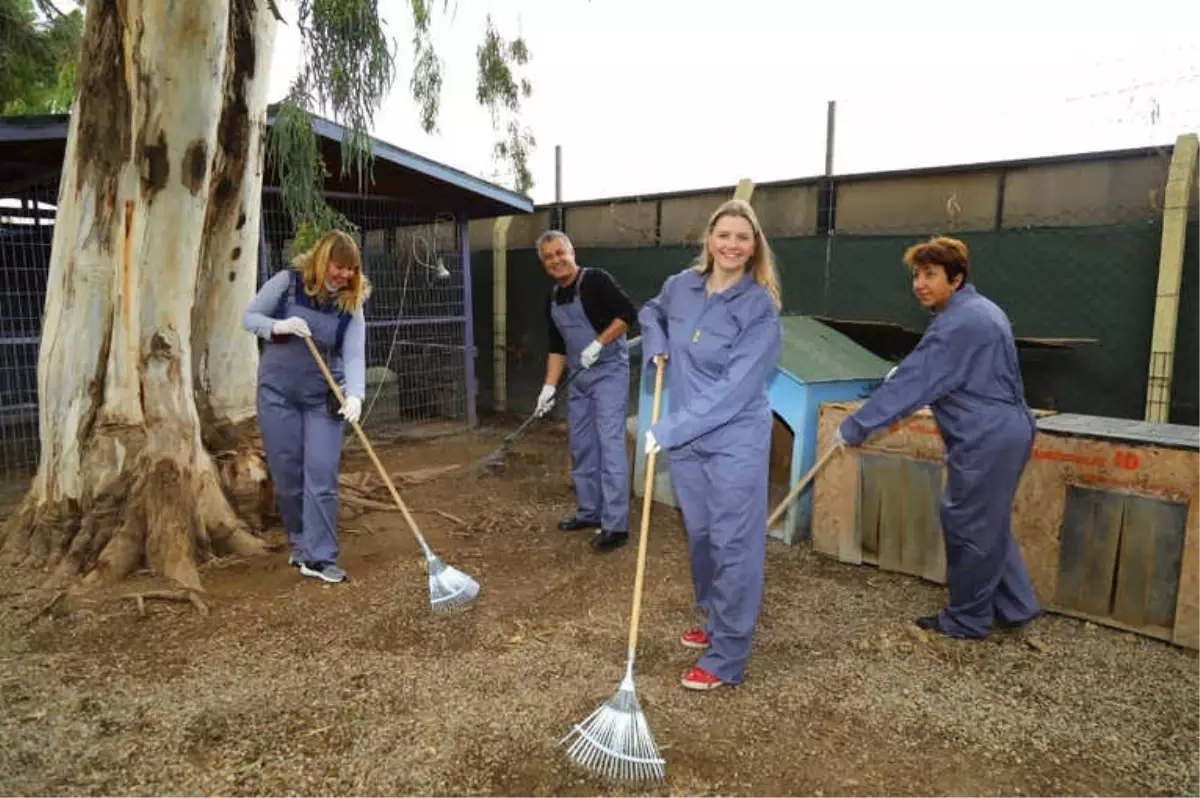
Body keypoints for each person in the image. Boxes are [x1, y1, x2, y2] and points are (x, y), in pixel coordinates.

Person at [834, 235, 1041, 639]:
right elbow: (934, 371)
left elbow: (915, 381)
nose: (920, 284)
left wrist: (854, 427)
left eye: (931, 275)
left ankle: (967, 619)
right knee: (988, 521)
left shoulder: (957, 323)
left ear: (957, 278)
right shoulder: (979, 310)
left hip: (986, 436)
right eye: (916, 276)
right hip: (1004, 428)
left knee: (969, 525)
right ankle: (1016, 605)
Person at [638, 199, 783, 691]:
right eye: (725, 235)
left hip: (733, 438)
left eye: (743, 237)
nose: (732, 245)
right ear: (710, 238)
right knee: (701, 537)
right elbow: (650, 311)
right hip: (687, 437)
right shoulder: (681, 287)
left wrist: (670, 429)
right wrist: (656, 338)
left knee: (733, 543)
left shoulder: (759, 307)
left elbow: (736, 389)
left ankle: (728, 656)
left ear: (754, 245)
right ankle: (717, 619)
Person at [242, 230, 371, 585]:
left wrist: (356, 394)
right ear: (321, 259)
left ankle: (320, 557)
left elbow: (354, 353)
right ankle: (300, 545)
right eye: (338, 266)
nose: (344, 275)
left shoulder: (350, 304)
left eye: (350, 270)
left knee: (322, 474)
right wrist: (279, 326)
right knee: (287, 475)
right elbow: (250, 318)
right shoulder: (287, 284)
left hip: (323, 400)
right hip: (277, 396)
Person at [534, 230, 638, 552]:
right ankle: (590, 511)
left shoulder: (596, 281)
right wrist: (548, 388)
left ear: (572, 251)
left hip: (608, 373)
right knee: (581, 445)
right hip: (578, 378)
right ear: (544, 264)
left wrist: (599, 342)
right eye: (548, 257)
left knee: (609, 444)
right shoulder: (552, 298)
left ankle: (616, 525)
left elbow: (627, 315)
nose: (556, 260)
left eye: (559, 253)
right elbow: (556, 348)